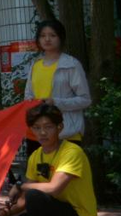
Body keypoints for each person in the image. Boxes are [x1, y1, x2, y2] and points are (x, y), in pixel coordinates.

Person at [22, 19, 90, 154]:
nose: (47, 39)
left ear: (61, 38)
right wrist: (31, 103)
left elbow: (85, 100)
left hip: (65, 133)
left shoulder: (71, 64)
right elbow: (28, 96)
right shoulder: (36, 65)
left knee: (64, 168)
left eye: (52, 35)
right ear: (38, 40)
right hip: (37, 135)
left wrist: (56, 103)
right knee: (37, 168)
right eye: (43, 36)